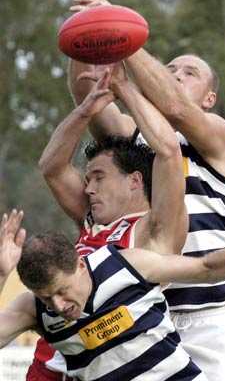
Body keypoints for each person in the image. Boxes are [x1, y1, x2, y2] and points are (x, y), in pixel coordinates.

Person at [67, 0, 225, 380]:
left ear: (210, 98)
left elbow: (175, 108)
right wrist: (85, 23)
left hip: (210, 311)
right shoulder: (136, 135)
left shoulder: (216, 135)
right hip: (148, 305)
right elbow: (88, 97)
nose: (176, 74)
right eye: (169, 70)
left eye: (190, 72)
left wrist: (118, 32)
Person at [31, 62, 187, 379]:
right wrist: (85, 110)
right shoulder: (90, 219)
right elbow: (52, 168)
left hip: (97, 367)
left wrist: (125, 88)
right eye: (87, 178)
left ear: (134, 181)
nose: (88, 188)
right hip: (48, 363)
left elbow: (169, 152)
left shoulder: (153, 229)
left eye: (98, 177)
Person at [1, 208, 225, 380]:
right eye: (47, 298)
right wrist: (2, 273)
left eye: (62, 291)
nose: (58, 305)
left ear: (81, 264)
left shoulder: (127, 265)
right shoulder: (33, 309)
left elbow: (206, 267)